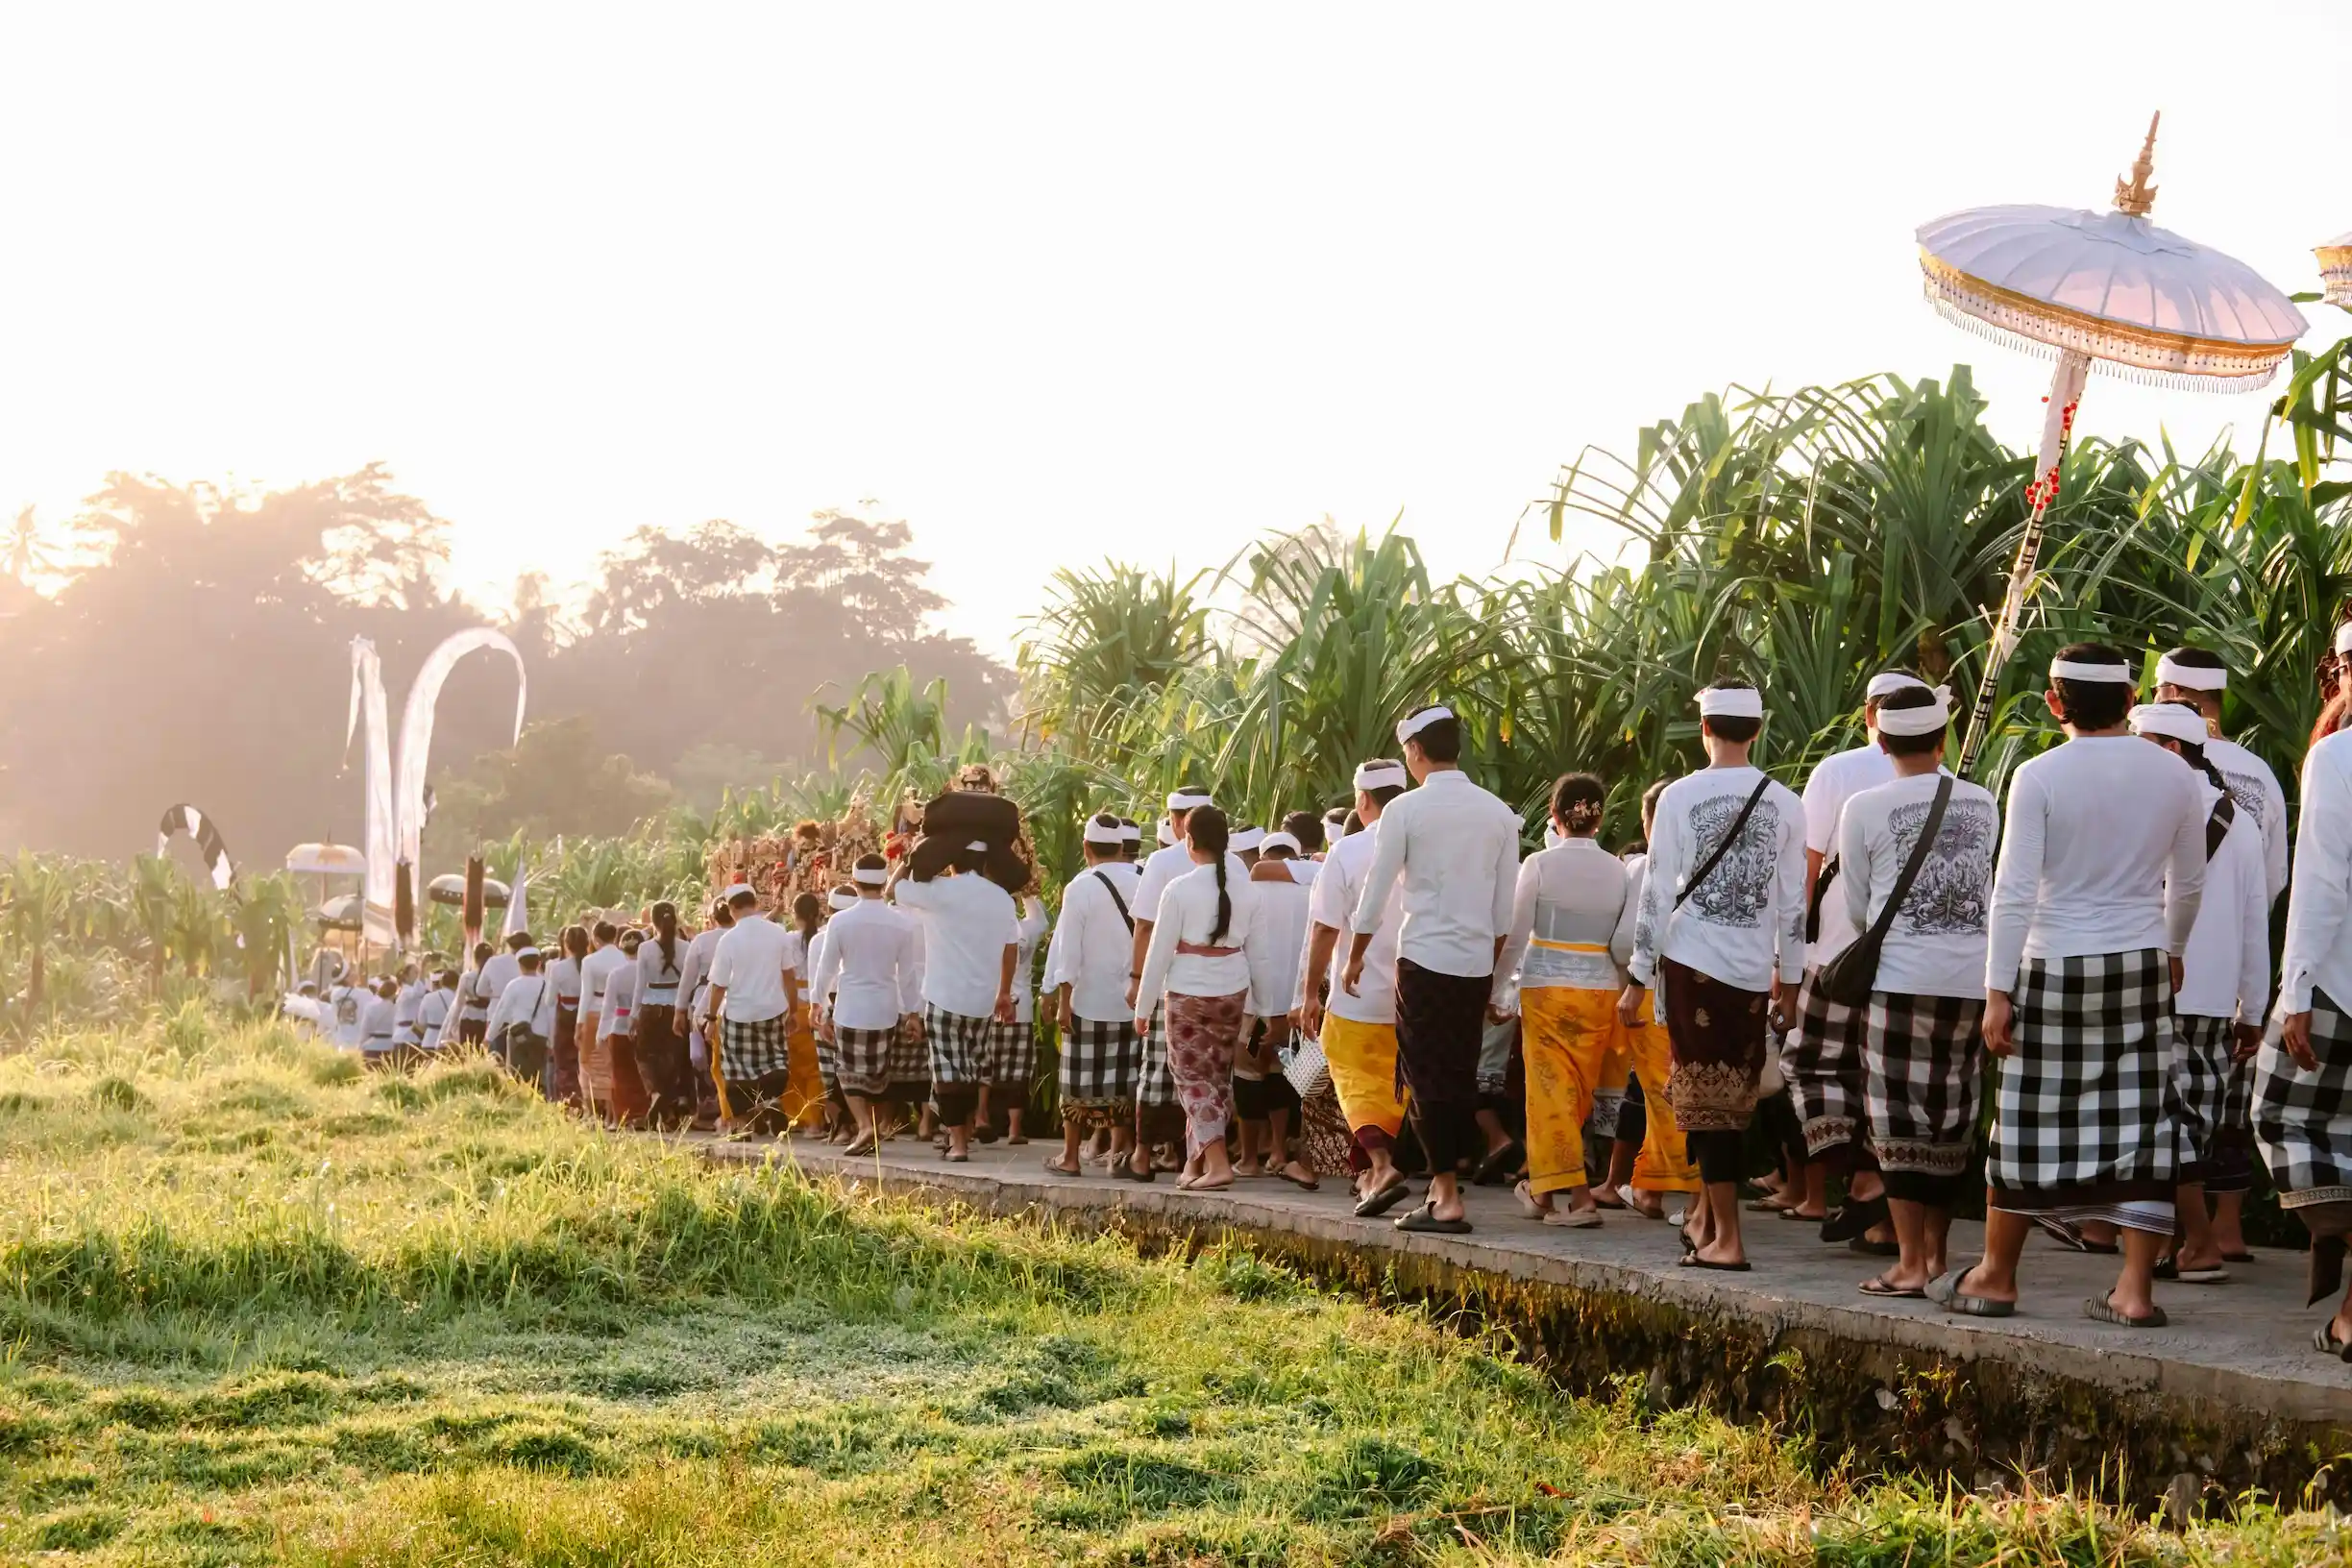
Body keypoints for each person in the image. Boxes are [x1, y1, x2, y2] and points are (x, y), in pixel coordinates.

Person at [1929, 645, 2206, 1329]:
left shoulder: (2039, 774)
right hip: (2139, 960)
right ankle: (2135, 1291)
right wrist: (2171, 949)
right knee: (2145, 1122)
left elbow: (2014, 890)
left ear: (2056, 703)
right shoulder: (2174, 775)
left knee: (2027, 1119)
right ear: (2130, 697)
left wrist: (1997, 990)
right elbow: (2189, 882)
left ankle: (1996, 1276)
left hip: (2053, 962)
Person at [1622, 683, 1807, 1271]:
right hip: (1753, 972)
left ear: (1705, 731)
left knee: (1704, 1099)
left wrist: (1637, 973)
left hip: (1692, 967)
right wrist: (1793, 981)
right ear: (1757, 732)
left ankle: (1727, 1239)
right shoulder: (1785, 801)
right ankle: (1706, 1219)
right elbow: (1791, 905)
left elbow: (1655, 895)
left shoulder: (1678, 796)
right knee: (1727, 1097)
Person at [1835, 684, 1999, 1296]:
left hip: (1900, 979)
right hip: (1970, 981)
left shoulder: (1864, 807)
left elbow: (1858, 907)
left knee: (1896, 1119)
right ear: (1942, 738)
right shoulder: (1983, 804)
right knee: (1952, 1119)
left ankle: (1908, 1262)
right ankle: (1935, 1254)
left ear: (1881, 739)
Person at [1349, 704, 1523, 1235]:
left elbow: (1376, 891)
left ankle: (1445, 1196)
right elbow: (1503, 912)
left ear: (1417, 751)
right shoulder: (1498, 813)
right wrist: (1492, 976)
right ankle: (1408, 1174)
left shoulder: (1404, 811)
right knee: (1455, 1072)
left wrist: (1355, 953)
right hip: (1473, 963)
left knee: (1425, 1076)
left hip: (1423, 959)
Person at [2150, 647, 2290, 1262]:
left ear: (2175, 695)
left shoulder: (2155, 779)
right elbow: (2274, 881)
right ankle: (2226, 1230)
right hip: (2232, 971)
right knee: (2223, 1107)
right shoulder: (2258, 776)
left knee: (2163, 1109)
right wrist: (2251, 993)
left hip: (2166, 973)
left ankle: (2170, 1236)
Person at [2128, 701, 2269, 1284]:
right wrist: (2252, 1008)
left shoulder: (2151, 806)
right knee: (2189, 1121)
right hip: (2213, 999)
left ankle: (2201, 1241)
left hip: (2155, 987)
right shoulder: (2240, 820)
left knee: (2164, 1123)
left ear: (2168, 751)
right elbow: (2254, 920)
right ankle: (2181, 1243)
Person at [1784, 673, 1925, 1235]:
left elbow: (1807, 868)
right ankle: (1880, 1212)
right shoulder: (1940, 779)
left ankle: (1856, 1177)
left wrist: (1789, 955)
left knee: (1813, 1065)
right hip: (1909, 960)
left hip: (1839, 954)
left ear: (1870, 717)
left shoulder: (1837, 771)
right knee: (1885, 1078)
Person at [1497, 772, 1633, 1228]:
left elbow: (1516, 936)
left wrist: (1498, 990)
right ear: (1599, 818)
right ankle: (1541, 1190)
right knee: (1575, 1093)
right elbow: (1624, 944)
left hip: (1546, 987)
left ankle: (1579, 1198)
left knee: (1550, 1095)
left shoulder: (1539, 864)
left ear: (1554, 817)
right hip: (1599, 990)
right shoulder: (1619, 870)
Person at [2257, 707, 2352, 1354]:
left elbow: (2320, 878)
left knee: (2277, 1114)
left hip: (2340, 985)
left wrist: (2295, 991)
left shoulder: (2339, 754)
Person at [1134, 806, 1267, 1190]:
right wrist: (1265, 1009)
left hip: (1188, 993)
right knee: (1215, 1079)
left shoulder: (1179, 889)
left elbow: (1158, 954)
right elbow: (1260, 955)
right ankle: (1195, 1164)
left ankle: (1219, 1164)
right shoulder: (1247, 890)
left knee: (1191, 1079)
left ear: (1188, 841)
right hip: (1233, 992)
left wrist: (1143, 1009)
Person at [1299, 762, 1412, 1213]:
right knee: (1394, 1086)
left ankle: (1380, 1165)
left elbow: (1325, 929)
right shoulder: (1420, 847)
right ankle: (1368, 1173)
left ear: (1362, 801)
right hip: (1411, 991)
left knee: (1352, 1078)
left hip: (1357, 991)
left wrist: (1309, 991)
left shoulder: (1348, 852)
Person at [1603, 780, 1701, 1217]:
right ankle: (1649, 1187)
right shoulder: (1703, 855)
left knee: (1665, 1099)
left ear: (1649, 821)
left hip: (1652, 992)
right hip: (1704, 989)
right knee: (1676, 1093)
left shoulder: (1645, 867)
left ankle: (1676, 1192)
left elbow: (1626, 940)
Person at [892, 840, 1020, 1161]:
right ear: (984, 861)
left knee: (948, 1072)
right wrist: (1004, 993)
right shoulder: (1001, 898)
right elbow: (1010, 947)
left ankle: (958, 1144)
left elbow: (895, 889)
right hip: (982, 1001)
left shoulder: (939, 890)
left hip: (943, 996)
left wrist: (912, 856)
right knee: (970, 1073)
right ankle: (958, 1138)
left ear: (952, 860)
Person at [1126, 788, 1226, 1177]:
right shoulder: (1230, 865)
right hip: (1223, 985)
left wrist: (1138, 982)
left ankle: (1142, 1155)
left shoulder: (1161, 861)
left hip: (1173, 981)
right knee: (1210, 1073)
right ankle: (1190, 1157)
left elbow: (1145, 927)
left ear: (1177, 821)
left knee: (1158, 1070)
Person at [1043, 815, 1142, 1175]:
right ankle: (1117, 1156)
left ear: (1086, 848)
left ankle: (1070, 1156)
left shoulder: (1080, 887)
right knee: (1124, 1080)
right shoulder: (1145, 881)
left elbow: (1069, 950)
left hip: (1087, 1000)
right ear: (1121, 848)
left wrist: (1062, 1000)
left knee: (1076, 1081)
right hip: (1133, 1002)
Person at [813, 855, 919, 1155]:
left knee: (848, 1072)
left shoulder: (840, 921)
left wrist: (816, 1004)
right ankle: (874, 1127)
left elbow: (827, 969)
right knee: (878, 1073)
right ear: (885, 882)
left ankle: (864, 1126)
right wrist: (913, 1012)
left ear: (854, 882)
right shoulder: (901, 923)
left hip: (851, 1008)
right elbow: (908, 974)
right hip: (886, 1008)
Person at [1237, 828, 1314, 1184]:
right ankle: (1281, 1150)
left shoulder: (1249, 892)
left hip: (1254, 1000)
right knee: (1282, 1074)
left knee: (1247, 1074)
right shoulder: (1311, 892)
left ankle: (1249, 1157)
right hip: (1294, 1003)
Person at [705, 883, 806, 1136]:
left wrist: (710, 1017)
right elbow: (789, 976)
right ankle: (771, 1099)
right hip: (773, 1009)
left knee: (736, 1070)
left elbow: (718, 986)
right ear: (756, 903)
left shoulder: (728, 939)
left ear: (730, 909)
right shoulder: (778, 932)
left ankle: (742, 1127)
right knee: (774, 1062)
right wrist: (793, 1011)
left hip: (739, 1012)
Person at [981, 892, 1050, 1145]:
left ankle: (981, 1118)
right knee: (1018, 1072)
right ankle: (1014, 1130)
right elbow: (1041, 919)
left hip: (987, 1008)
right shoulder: (1026, 930)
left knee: (984, 1067)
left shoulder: (983, 931)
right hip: (1019, 1011)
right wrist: (1027, 891)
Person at [633, 901, 695, 1128]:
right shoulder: (686, 947)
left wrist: (633, 1014)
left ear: (653, 922)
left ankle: (656, 1095)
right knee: (675, 1060)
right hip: (677, 1008)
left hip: (650, 1007)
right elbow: (690, 982)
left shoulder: (645, 948)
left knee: (645, 1057)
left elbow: (640, 984)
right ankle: (671, 1111)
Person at [674, 902, 730, 1127]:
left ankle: (710, 1109)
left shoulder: (701, 941)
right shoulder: (740, 937)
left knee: (702, 1059)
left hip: (701, 1004)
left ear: (713, 917)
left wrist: (679, 1009)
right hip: (736, 1004)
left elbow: (687, 979)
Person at [576, 920, 628, 1119]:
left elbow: (586, 994)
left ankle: (591, 1112)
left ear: (596, 939)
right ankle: (611, 1112)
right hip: (618, 1012)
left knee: (590, 1063)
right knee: (612, 1063)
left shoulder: (590, 961)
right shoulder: (624, 957)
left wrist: (579, 1024)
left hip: (594, 1012)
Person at [485, 946, 554, 1086]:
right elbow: (551, 1014)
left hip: (518, 1036)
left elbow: (500, 1012)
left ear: (520, 965)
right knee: (539, 1077)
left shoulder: (514, 985)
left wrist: (489, 1037)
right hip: (540, 1037)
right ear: (539, 964)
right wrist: (552, 1041)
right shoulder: (547, 985)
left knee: (516, 1077)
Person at [596, 929, 645, 1121]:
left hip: (618, 1027)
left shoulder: (616, 974)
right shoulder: (647, 972)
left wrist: (601, 1035)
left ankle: (622, 1117)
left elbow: (607, 1008)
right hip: (643, 1027)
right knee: (642, 1075)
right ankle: (643, 1114)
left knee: (620, 1074)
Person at [456, 942, 496, 1046]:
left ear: (475, 958)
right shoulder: (494, 978)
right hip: (486, 1020)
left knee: (467, 1056)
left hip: (468, 1019)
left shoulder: (466, 977)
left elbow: (459, 1003)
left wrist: (452, 1025)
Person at [416, 968, 458, 1056]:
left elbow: (421, 1021)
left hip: (429, 1041)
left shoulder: (428, 997)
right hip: (451, 1043)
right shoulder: (459, 999)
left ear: (441, 982)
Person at [358, 977, 400, 1066]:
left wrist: (361, 1045)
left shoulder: (370, 1007)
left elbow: (365, 1028)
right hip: (389, 1045)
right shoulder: (396, 1008)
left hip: (371, 1045)